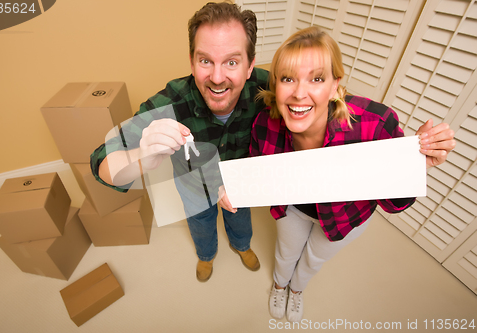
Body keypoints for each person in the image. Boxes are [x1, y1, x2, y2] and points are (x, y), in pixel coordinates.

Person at [219, 26, 456, 321]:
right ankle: (280, 285)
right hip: (292, 208)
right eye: (288, 78)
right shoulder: (265, 124)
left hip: (345, 215)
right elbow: (256, 172)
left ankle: (297, 290)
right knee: (286, 252)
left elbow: (396, 205)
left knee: (314, 258)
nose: (299, 93)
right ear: (276, 84)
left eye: (316, 79)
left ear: (334, 85)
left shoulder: (375, 124)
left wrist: (414, 165)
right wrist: (232, 189)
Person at [90, 2, 268, 282]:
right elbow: (101, 161)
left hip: (239, 186)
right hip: (195, 189)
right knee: (201, 224)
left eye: (232, 62)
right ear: (192, 62)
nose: (217, 78)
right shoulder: (172, 101)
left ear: (249, 66)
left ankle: (241, 246)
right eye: (205, 60)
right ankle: (206, 256)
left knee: (240, 219)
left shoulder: (268, 88)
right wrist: (143, 156)